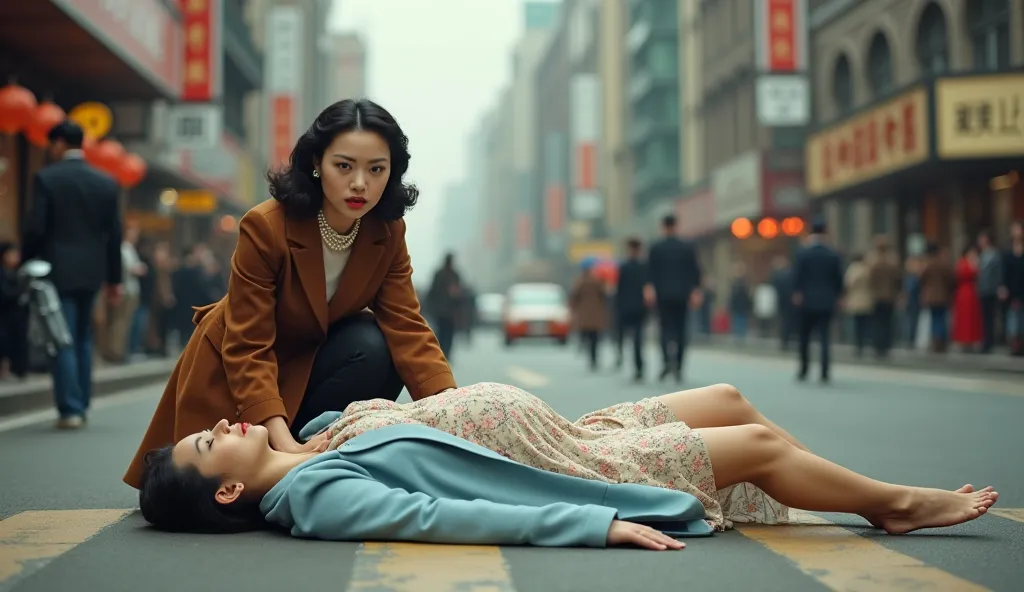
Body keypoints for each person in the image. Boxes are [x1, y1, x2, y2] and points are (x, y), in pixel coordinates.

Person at [138, 382, 998, 548]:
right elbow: (443, 516)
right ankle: (892, 505)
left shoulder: (309, 450)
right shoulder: (318, 499)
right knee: (762, 451)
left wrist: (298, 436)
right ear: (226, 487)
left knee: (732, 399)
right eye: (213, 441)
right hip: (578, 470)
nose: (222, 423)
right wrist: (594, 522)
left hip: (572, 431)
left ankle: (827, 488)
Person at [123, 99, 455, 489]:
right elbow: (248, 344)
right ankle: (286, 461)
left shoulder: (386, 230)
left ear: (391, 172)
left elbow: (406, 325)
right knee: (210, 491)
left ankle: (330, 453)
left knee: (378, 346)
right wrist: (280, 445)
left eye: (376, 169)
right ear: (316, 163)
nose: (360, 183)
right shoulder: (265, 226)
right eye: (344, 166)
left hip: (312, 362)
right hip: (239, 371)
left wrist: (452, 413)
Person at [22, 120, 123, 429]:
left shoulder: (46, 179)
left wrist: (26, 262)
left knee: (61, 337)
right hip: (92, 272)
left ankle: (70, 408)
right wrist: (114, 279)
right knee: (82, 337)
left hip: (57, 269)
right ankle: (82, 402)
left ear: (59, 144)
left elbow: (36, 228)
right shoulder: (105, 182)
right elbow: (114, 235)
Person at [647, 215, 702, 383]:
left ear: (663, 227)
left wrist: (650, 291)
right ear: (676, 226)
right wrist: (695, 291)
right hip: (682, 295)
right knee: (681, 331)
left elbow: (650, 273)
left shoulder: (656, 248)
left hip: (663, 296)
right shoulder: (686, 247)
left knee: (665, 330)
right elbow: (694, 271)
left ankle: (666, 362)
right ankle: (678, 365)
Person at [792, 218, 843, 383]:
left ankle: (804, 369)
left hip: (806, 301)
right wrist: (838, 296)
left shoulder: (802, 253)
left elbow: (797, 277)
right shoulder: (833, 254)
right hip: (827, 301)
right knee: (825, 338)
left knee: (804, 338)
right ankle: (825, 372)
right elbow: (838, 280)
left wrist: (797, 294)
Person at [614, 238, 648, 381]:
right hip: (639, 307)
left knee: (623, 335)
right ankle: (639, 366)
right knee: (638, 338)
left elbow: (619, 289)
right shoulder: (643, 267)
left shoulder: (623, 267)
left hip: (625, 307)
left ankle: (621, 355)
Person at [951, 245, 983, 351]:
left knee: (971, 318)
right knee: (965, 318)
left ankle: (971, 339)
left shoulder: (967, 262)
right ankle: (964, 340)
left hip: (970, 292)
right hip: (965, 292)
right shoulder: (964, 263)